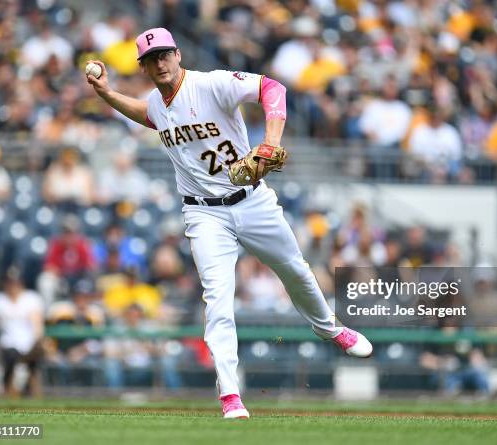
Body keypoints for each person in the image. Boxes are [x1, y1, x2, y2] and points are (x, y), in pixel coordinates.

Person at [86, 27, 372, 419]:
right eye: (152, 59)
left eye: (165, 54)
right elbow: (144, 114)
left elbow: (273, 89)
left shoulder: (211, 84)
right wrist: (105, 94)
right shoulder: (156, 103)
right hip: (203, 212)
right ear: (145, 68)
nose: (160, 62)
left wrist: (270, 140)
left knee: (296, 271)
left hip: (252, 199)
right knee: (217, 299)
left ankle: (330, 329)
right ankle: (230, 395)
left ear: (179, 54)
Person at [0, 267, 44, 398]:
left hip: (29, 343)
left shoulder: (31, 298)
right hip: (9, 344)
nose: (12, 286)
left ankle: (32, 392)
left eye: (15, 282)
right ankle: (8, 391)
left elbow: (37, 324)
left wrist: (37, 340)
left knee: (33, 363)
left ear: (21, 283)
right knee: (10, 358)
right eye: (9, 282)